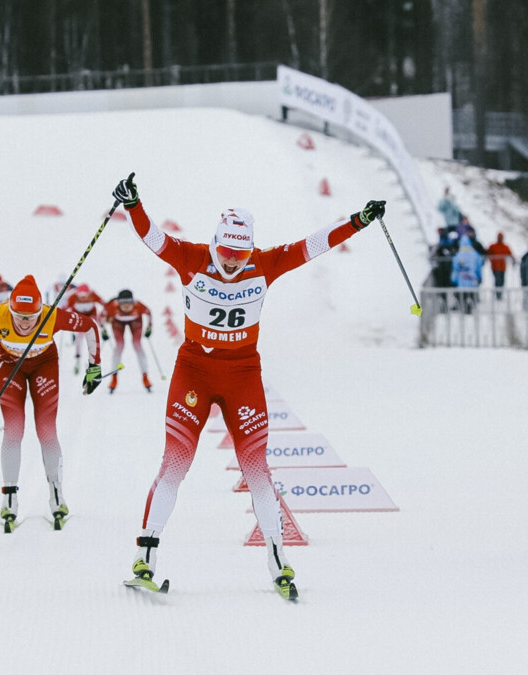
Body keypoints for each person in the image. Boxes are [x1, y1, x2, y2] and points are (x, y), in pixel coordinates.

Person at [111, 174, 384, 600]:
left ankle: (278, 560)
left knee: (258, 470)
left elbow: (312, 246)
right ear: (215, 242)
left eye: (240, 253)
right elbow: (154, 239)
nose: (233, 261)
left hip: (242, 376)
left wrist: (358, 221)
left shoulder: (265, 264)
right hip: (194, 373)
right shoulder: (191, 258)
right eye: (226, 252)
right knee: (174, 465)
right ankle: (145, 557)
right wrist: (134, 205)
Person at [0, 275, 103, 532]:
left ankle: (57, 494)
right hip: (9, 365)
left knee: (46, 430)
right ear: (11, 308)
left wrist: (94, 367)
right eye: (20, 317)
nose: (25, 324)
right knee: (13, 430)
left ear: (40, 310)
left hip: (43, 364)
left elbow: (90, 326)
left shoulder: (52, 315)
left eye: (31, 317)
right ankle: (9, 498)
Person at [102, 289, 154, 393]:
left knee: (137, 345)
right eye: (123, 303)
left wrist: (149, 328)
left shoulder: (138, 306)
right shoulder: (112, 306)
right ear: (118, 303)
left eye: (129, 303)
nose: (126, 306)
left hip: (135, 322)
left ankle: (145, 377)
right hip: (117, 323)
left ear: (133, 302)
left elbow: (149, 313)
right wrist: (103, 330)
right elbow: (101, 317)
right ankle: (114, 378)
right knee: (119, 346)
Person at [64, 283, 104, 374]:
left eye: (85, 296)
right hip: (80, 317)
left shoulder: (93, 295)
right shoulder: (73, 297)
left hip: (91, 315)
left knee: (95, 333)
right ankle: (77, 362)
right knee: (79, 338)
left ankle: (94, 361)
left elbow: (104, 303)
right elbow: (65, 308)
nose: (83, 298)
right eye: (80, 296)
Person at [451, 235, 484, 314]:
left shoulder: (458, 255)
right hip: (472, 279)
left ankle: (464, 307)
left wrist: (453, 279)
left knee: (463, 294)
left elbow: (455, 267)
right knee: (471, 293)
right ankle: (470, 306)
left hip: (461, 279)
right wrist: (479, 277)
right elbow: (479, 266)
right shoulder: (475, 254)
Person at [487, 232, 513, 300]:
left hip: (502, 267)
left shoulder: (505, 246)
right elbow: (488, 253)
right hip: (495, 267)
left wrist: (513, 260)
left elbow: (510, 254)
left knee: (502, 281)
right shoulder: (493, 246)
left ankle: (500, 294)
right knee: (497, 281)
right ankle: (497, 294)